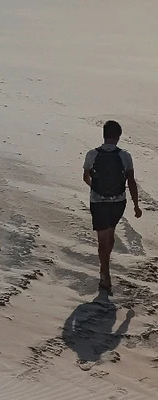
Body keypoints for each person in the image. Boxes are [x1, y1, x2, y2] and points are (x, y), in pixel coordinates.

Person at [83, 120, 142, 290]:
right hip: (118, 202)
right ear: (118, 137)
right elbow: (131, 182)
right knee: (110, 234)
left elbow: (86, 177)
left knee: (103, 238)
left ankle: (104, 273)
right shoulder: (125, 156)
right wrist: (136, 205)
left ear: (104, 135)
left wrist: (95, 189)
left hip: (98, 202)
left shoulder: (92, 154)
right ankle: (105, 270)